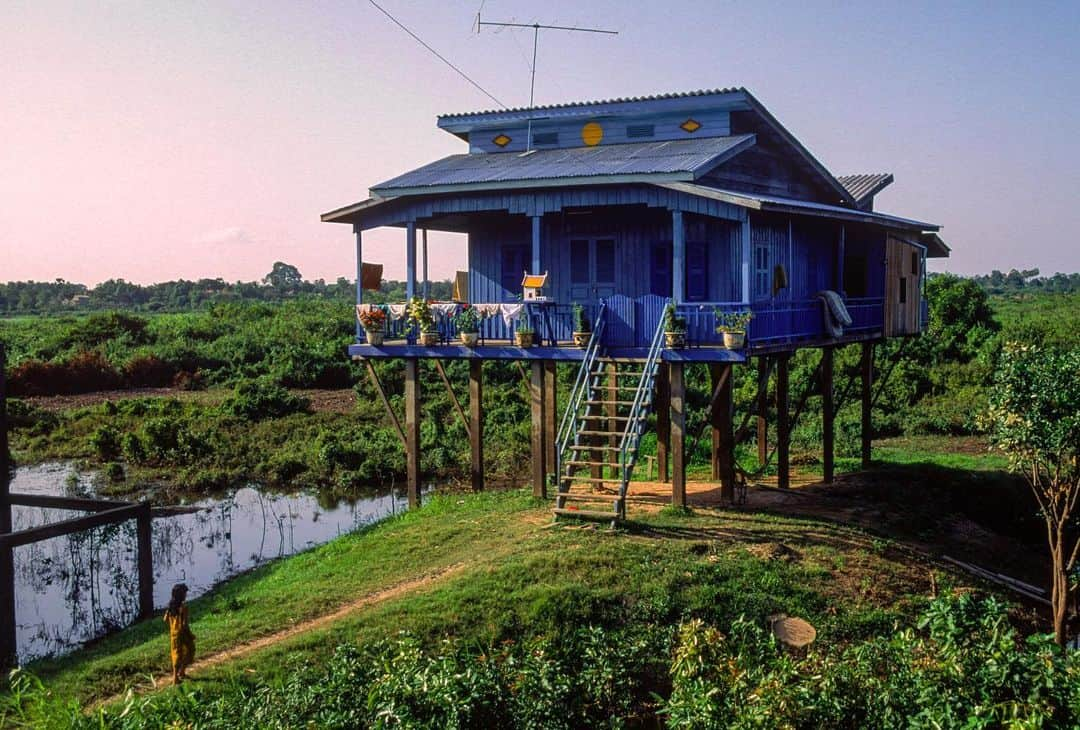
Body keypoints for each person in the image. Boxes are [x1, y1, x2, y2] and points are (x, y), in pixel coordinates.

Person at [163, 583, 196, 684]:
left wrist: (173, 626)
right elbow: (185, 624)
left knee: (176, 654)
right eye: (185, 593)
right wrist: (190, 635)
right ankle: (180, 673)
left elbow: (165, 619)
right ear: (181, 595)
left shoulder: (170, 608)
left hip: (174, 634)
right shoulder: (183, 607)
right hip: (183, 633)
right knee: (191, 650)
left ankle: (176, 677)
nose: (186, 595)